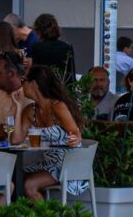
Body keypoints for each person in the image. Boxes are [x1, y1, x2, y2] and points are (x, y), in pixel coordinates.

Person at [10, 66, 84, 199]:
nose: (21, 85)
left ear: (33, 84)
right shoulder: (30, 111)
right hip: (48, 164)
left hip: (67, 165)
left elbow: (75, 132)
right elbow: (16, 140)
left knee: (29, 185)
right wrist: (18, 107)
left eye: (23, 81)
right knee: (16, 176)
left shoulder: (58, 106)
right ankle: (32, 214)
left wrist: (76, 137)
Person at [27, 13, 75, 83]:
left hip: (45, 88)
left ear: (39, 31)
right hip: (63, 88)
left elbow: (35, 74)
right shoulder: (67, 47)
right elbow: (71, 74)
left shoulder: (36, 47)